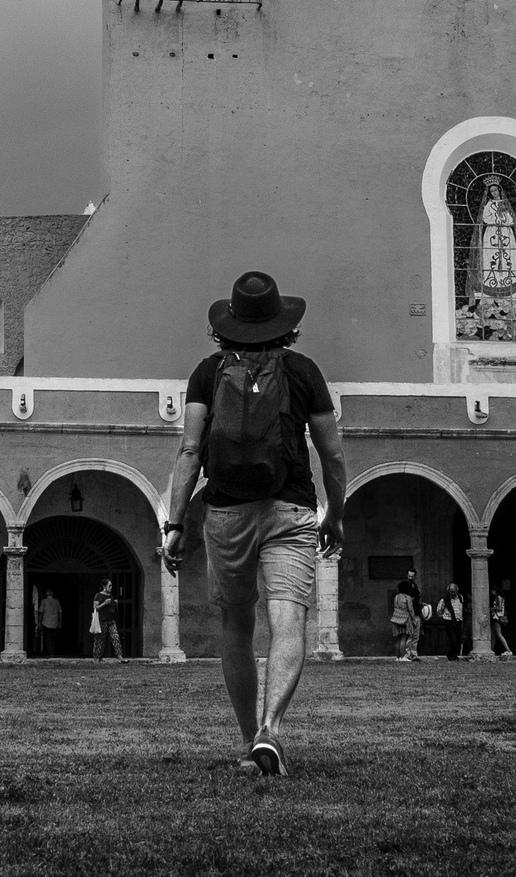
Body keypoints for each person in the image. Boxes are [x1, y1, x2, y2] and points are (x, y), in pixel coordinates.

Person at [160, 270, 347, 778]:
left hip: (224, 513)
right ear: (284, 323)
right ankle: (271, 731)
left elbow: (191, 451)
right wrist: (337, 515)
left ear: (228, 324)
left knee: (236, 625)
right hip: (289, 508)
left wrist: (174, 523)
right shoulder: (304, 371)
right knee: (288, 620)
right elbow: (331, 456)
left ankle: (249, 743)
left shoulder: (207, 372)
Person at [432, 583, 467, 660]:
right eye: (451, 591)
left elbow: (462, 607)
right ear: (448, 591)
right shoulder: (444, 599)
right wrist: (443, 616)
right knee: (453, 639)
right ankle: (453, 656)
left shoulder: (460, 597)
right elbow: (439, 609)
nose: (453, 593)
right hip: (449, 620)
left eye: (454, 591)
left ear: (457, 590)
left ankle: (450, 654)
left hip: (459, 620)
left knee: (458, 639)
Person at [92, 579, 123, 661]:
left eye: (111, 585)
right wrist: (104, 603)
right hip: (102, 620)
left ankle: (119, 656)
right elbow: (95, 608)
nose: (111, 587)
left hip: (111, 620)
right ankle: (97, 657)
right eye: (109, 586)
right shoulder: (98, 595)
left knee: (115, 637)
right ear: (104, 587)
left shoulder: (110, 595)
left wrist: (115, 604)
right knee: (100, 639)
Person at [389, 582, 417, 659]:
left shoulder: (396, 597)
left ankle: (398, 657)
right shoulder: (408, 597)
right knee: (404, 637)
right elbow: (411, 610)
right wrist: (414, 619)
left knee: (398, 638)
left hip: (396, 618)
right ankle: (403, 656)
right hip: (405, 619)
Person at [36, 586, 64, 657]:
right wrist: (60, 621)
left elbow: (41, 612)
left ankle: (50, 653)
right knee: (53, 639)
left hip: (46, 622)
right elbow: (60, 612)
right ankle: (52, 652)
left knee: (47, 638)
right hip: (54, 622)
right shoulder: (57, 601)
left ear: (46, 593)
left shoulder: (44, 601)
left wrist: (39, 622)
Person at [489, 587, 509, 656]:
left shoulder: (499, 597)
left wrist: (492, 608)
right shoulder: (498, 597)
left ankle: (508, 650)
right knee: (493, 635)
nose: (491, 593)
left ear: (495, 591)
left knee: (499, 634)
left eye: (492, 591)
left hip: (497, 617)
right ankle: (491, 650)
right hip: (495, 617)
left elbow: (500, 608)